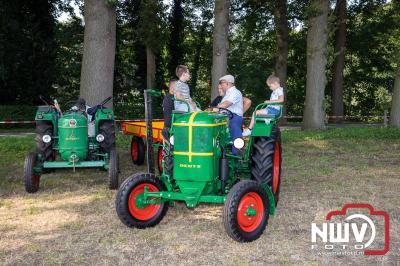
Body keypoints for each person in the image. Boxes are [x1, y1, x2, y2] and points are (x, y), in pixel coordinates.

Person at [213, 74, 243, 155]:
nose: (221, 85)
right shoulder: (227, 94)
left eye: (222, 83)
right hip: (225, 116)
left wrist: (217, 108)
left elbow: (226, 104)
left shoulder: (235, 92)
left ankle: (236, 152)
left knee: (234, 124)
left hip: (234, 116)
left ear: (227, 83)